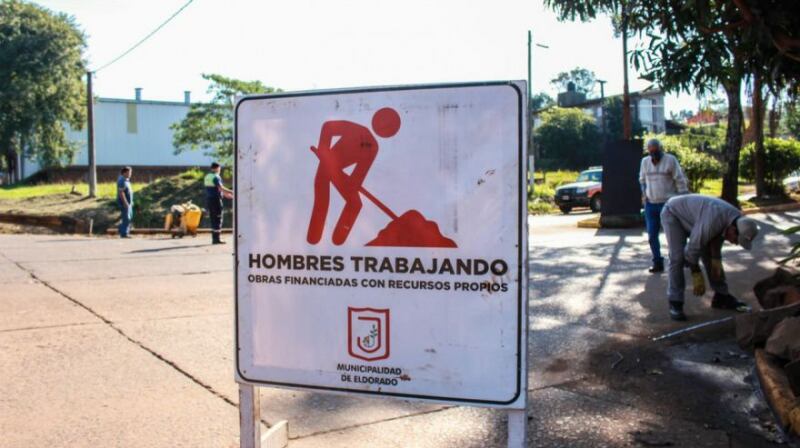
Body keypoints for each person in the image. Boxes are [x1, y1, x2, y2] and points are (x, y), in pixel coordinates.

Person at [307, 107, 401, 245]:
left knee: (355, 203)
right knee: (322, 190)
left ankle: (339, 238)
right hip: (326, 161)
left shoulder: (373, 147)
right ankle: (313, 236)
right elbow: (328, 127)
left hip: (336, 168)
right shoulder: (357, 130)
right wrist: (324, 148)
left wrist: (350, 182)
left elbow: (357, 178)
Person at [660, 194, 760, 321]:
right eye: (736, 239)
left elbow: (714, 247)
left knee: (712, 259)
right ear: (733, 230)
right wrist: (696, 271)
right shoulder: (715, 220)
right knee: (677, 258)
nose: (735, 243)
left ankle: (721, 296)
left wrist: (715, 259)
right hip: (673, 213)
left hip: (698, 219)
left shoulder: (735, 219)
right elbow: (693, 247)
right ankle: (675, 302)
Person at [639, 138, 688, 273]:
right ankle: (657, 262)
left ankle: (681, 258)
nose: (654, 154)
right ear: (648, 151)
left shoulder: (670, 160)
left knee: (673, 234)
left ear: (661, 149)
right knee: (652, 235)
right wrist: (644, 194)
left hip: (668, 204)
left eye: (656, 150)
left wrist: (683, 198)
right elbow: (642, 180)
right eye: (651, 151)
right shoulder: (645, 162)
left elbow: (679, 180)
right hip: (651, 204)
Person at [204, 162, 233, 244]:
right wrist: (233, 192)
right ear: (216, 168)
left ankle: (214, 238)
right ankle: (217, 239)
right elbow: (221, 188)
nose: (220, 170)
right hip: (216, 200)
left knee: (213, 219)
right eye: (219, 168)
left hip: (209, 200)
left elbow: (215, 189)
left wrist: (227, 195)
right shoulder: (216, 177)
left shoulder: (207, 176)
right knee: (218, 218)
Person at [117, 166, 133, 238]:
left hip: (129, 202)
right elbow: (121, 192)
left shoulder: (127, 180)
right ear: (124, 172)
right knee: (126, 218)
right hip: (124, 203)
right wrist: (125, 202)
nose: (130, 174)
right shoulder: (121, 180)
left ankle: (121, 230)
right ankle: (124, 233)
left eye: (130, 172)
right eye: (129, 172)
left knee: (128, 218)